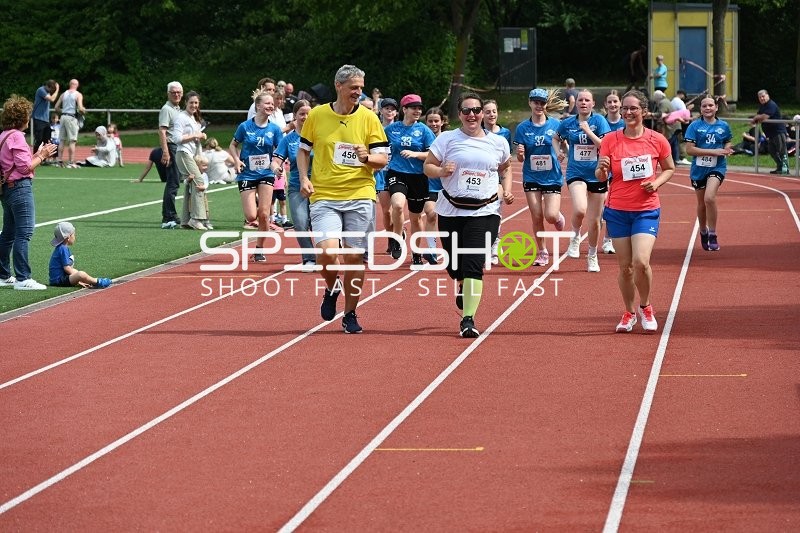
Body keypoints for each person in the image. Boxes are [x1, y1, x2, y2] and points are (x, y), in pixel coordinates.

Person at [296, 64, 389, 334]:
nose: (358, 92)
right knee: (326, 252)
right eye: (353, 88)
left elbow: (383, 159)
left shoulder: (370, 118)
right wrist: (304, 178)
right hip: (324, 194)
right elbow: (303, 151)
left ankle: (350, 313)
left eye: (361, 88)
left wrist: (368, 158)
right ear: (339, 86)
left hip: (360, 194)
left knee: (354, 259)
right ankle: (331, 287)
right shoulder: (317, 115)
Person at [423, 92, 514, 338]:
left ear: (483, 113)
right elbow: (427, 166)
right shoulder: (447, 139)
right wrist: (441, 170)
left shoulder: (498, 142)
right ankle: (460, 283)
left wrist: (507, 189)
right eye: (466, 111)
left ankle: (468, 319)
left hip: (485, 211)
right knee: (455, 266)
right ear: (460, 115)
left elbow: (505, 168)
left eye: (476, 110)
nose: (472, 115)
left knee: (473, 263)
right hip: (451, 209)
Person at [596, 90, 675, 333]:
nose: (628, 113)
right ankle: (629, 312)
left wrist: (657, 182)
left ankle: (646, 306)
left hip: (646, 210)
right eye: (625, 109)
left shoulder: (657, 139)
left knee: (641, 262)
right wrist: (601, 168)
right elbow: (601, 177)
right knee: (625, 267)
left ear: (644, 111)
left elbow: (669, 168)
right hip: (618, 210)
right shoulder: (610, 140)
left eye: (633, 108)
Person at [0, 94, 57, 290]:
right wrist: (43, 156)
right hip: (20, 189)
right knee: (23, 233)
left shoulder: (4, 135)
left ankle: (3, 274)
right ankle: (23, 278)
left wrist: (37, 154)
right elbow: (25, 168)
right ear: (22, 118)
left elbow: (17, 164)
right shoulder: (16, 136)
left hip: (7, 190)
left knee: (8, 233)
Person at [556, 89, 611, 272]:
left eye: (587, 100)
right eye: (580, 100)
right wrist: (558, 151)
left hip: (597, 173)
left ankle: (592, 255)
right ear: (576, 103)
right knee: (580, 209)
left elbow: (605, 146)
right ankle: (575, 236)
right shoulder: (568, 123)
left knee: (595, 221)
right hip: (575, 172)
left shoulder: (600, 121)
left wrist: (588, 131)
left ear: (593, 104)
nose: (583, 103)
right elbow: (556, 138)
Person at [513, 88, 568, 268]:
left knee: (550, 215)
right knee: (536, 216)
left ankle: (558, 217)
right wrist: (520, 153)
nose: (539, 105)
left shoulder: (555, 124)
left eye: (542, 102)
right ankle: (542, 251)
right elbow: (520, 157)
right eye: (535, 102)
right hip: (531, 176)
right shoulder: (522, 128)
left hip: (551, 176)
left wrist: (562, 153)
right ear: (530, 103)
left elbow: (565, 146)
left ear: (546, 105)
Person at [385, 93, 436, 265]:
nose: (417, 110)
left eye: (419, 108)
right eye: (413, 107)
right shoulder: (391, 129)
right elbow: (378, 146)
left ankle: (416, 253)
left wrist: (415, 154)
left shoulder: (424, 130)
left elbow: (433, 154)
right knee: (398, 205)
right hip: (397, 173)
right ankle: (397, 240)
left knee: (416, 218)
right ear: (404, 109)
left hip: (418, 177)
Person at [230, 90, 283, 245]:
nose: (271, 106)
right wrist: (236, 160)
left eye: (272, 104)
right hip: (247, 174)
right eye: (267, 103)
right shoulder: (245, 127)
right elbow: (233, 145)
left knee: (265, 214)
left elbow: (280, 151)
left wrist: (277, 166)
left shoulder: (274, 129)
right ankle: (257, 200)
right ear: (258, 106)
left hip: (266, 173)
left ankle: (259, 247)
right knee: (252, 216)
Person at [684, 96, 733, 252]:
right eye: (704, 106)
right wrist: (713, 151)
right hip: (699, 169)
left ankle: (712, 233)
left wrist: (726, 150)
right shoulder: (694, 126)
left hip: (717, 167)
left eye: (711, 105)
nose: (708, 108)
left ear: (716, 107)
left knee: (709, 198)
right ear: (701, 109)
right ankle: (703, 231)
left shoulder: (724, 126)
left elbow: (727, 141)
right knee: (701, 204)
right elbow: (689, 150)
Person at [273, 99, 316, 271]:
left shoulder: (319, 136)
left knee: (319, 223)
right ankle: (309, 258)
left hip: (320, 186)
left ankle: (327, 253)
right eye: (302, 114)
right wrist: (276, 168)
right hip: (297, 187)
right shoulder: (289, 140)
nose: (306, 117)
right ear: (295, 116)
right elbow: (276, 159)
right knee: (300, 223)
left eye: (308, 113)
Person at [481, 99, 511, 264]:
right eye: (487, 111)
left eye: (494, 111)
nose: (491, 114)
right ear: (482, 114)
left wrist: (506, 188)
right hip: (480, 179)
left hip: (497, 180)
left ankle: (494, 242)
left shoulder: (505, 133)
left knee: (495, 211)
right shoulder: (477, 132)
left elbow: (506, 164)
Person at [174, 91, 209, 230]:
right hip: (183, 153)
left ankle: (185, 220)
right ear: (186, 103)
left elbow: (194, 138)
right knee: (199, 182)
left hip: (191, 154)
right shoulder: (181, 117)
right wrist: (195, 134)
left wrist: (200, 136)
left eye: (196, 103)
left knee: (190, 184)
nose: (194, 105)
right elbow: (176, 139)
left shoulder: (194, 119)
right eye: (191, 103)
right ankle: (196, 218)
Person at [422, 106, 450, 264]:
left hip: (449, 186)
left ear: (443, 122)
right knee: (431, 213)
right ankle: (431, 250)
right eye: (430, 121)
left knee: (449, 219)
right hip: (430, 185)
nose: (433, 124)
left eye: (436, 121)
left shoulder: (448, 138)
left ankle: (453, 249)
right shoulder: (423, 137)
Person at [48, 222, 112, 289]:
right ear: (68, 237)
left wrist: (77, 279)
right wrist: (78, 277)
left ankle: (90, 281)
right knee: (81, 274)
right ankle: (97, 282)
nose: (75, 237)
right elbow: (67, 268)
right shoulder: (63, 248)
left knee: (79, 274)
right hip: (59, 280)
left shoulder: (62, 248)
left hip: (60, 279)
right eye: (74, 235)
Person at [601, 90, 625, 255]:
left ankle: (608, 240)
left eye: (615, 101)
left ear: (620, 104)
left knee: (613, 205)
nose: (613, 105)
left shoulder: (626, 123)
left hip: (621, 169)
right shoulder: (599, 122)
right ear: (605, 105)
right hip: (602, 168)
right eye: (609, 102)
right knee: (605, 205)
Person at [158, 81, 184, 229]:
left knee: (175, 182)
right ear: (168, 93)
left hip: (178, 147)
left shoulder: (178, 109)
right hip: (171, 147)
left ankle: (170, 213)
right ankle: (168, 215)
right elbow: (162, 131)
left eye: (179, 92)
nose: (176, 94)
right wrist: (166, 151)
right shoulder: (166, 109)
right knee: (173, 182)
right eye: (173, 92)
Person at [376, 97, 398, 254]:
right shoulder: (376, 129)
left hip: (398, 173)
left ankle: (397, 235)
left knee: (398, 208)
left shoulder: (400, 129)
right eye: (386, 108)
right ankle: (392, 238)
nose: (389, 111)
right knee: (387, 211)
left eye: (392, 109)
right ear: (381, 111)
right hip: (381, 173)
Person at [751, 89, 789, 174]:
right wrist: (757, 118)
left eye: (763, 96)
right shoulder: (763, 106)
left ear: (768, 96)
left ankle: (785, 169)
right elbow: (758, 116)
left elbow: (764, 117)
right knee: (772, 151)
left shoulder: (771, 105)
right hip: (770, 134)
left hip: (778, 132)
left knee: (782, 150)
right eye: (760, 97)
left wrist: (757, 118)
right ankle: (780, 166)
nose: (762, 98)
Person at [53, 79, 86, 168]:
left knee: (62, 140)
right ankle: (71, 162)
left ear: (69, 84)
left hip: (63, 117)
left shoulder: (63, 94)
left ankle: (59, 161)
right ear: (77, 85)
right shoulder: (78, 94)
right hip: (71, 118)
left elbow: (56, 107)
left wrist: (63, 111)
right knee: (72, 140)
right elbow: (80, 108)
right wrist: (83, 111)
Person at [32, 80, 60, 151]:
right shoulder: (41, 90)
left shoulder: (47, 92)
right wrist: (57, 90)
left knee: (46, 140)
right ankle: (36, 159)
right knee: (39, 140)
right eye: (52, 89)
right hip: (39, 119)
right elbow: (52, 99)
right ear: (48, 86)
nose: (52, 91)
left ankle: (43, 159)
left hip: (45, 120)